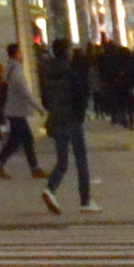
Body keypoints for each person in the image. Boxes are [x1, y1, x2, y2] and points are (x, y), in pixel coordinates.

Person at [35, 30, 93, 211]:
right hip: (73, 120)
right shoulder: (71, 73)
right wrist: (81, 115)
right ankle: (85, 200)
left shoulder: (47, 74)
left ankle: (50, 189)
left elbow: (45, 98)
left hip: (57, 119)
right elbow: (80, 98)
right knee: (81, 160)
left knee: (62, 161)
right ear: (66, 53)